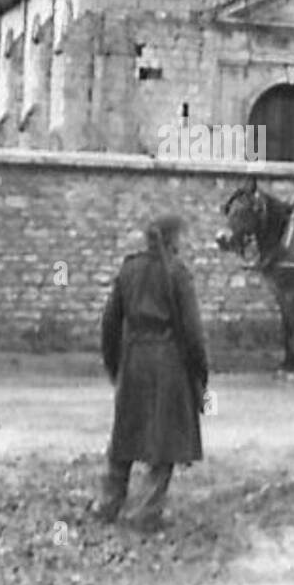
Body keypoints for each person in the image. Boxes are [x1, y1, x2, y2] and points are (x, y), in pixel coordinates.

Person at [95, 214, 209, 532]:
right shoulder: (178, 274)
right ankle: (147, 512)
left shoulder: (129, 269)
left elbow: (109, 323)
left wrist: (115, 365)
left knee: (124, 435)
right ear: (174, 240)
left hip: (133, 360)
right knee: (165, 441)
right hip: (169, 363)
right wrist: (200, 372)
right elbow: (194, 332)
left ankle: (108, 503)